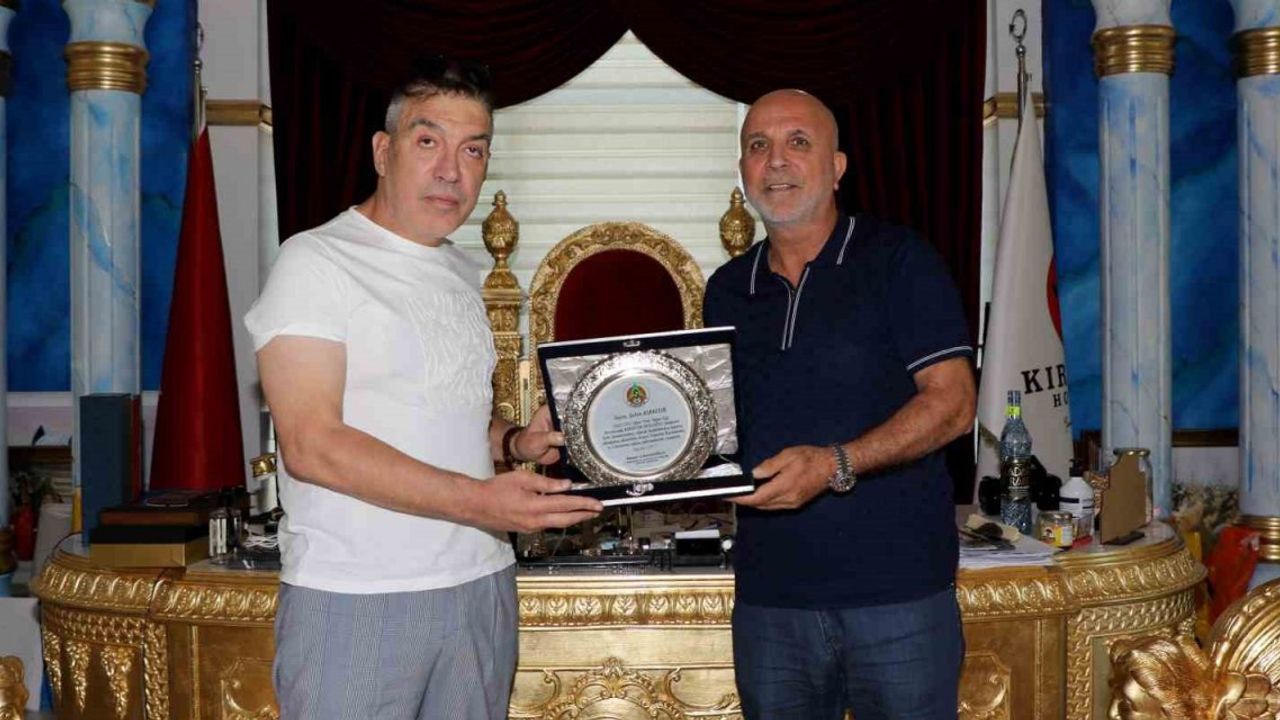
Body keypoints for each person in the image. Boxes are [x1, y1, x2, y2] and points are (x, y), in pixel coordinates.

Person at [245, 57, 602, 720]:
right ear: (384, 152)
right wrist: (479, 501)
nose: (451, 171)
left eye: (473, 150)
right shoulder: (314, 261)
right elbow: (311, 445)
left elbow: (448, 410)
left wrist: (515, 441)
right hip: (357, 596)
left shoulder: (462, 271)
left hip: (480, 584)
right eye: (429, 141)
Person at [703, 89, 977, 719]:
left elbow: (954, 403)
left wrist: (835, 464)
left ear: (837, 167)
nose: (776, 160)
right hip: (771, 602)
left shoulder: (899, 260)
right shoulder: (726, 291)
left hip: (898, 599)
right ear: (742, 169)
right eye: (758, 145)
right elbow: (714, 429)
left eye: (798, 142)